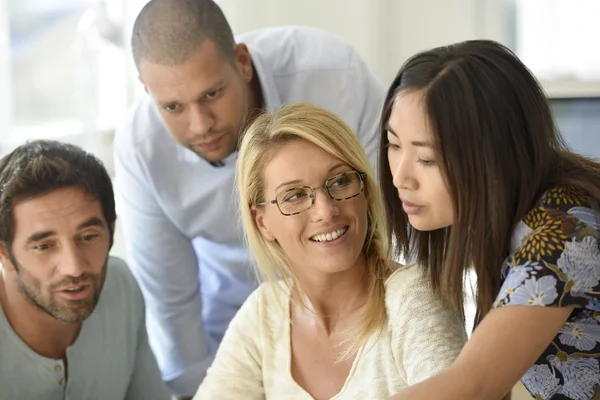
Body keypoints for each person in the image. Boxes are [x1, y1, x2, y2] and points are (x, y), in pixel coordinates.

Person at [113, 0, 385, 397]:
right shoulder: (141, 150)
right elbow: (171, 303)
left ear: (242, 61)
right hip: (230, 316)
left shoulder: (333, 75)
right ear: (146, 91)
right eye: (172, 106)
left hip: (361, 297)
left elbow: (390, 213)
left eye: (212, 93)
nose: (200, 125)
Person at [193, 102, 467, 399]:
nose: (326, 210)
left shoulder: (415, 298)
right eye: (294, 196)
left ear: (364, 189)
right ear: (262, 222)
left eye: (339, 181)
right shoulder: (264, 314)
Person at [378, 40, 600, 400]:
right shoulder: (514, 212)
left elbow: (473, 385)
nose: (400, 177)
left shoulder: (563, 235)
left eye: (428, 159)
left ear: (492, 156)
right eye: (393, 144)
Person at [0, 140, 170, 399]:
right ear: (4, 254)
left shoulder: (119, 285)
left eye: (88, 237)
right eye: (44, 246)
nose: (75, 268)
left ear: (111, 231)